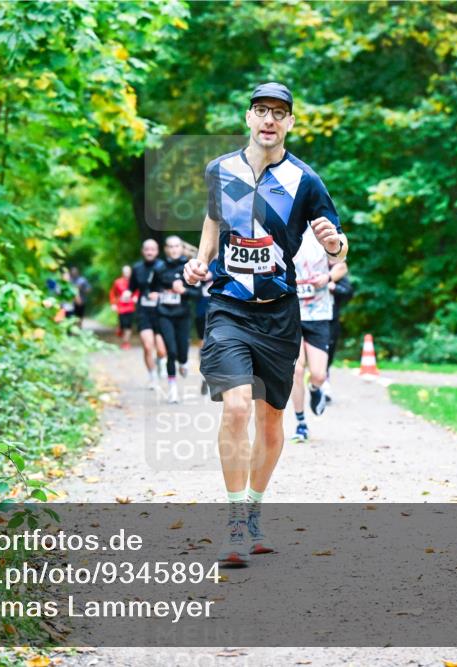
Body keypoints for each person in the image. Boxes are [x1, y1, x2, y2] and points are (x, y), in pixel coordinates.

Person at [183, 82, 348, 566]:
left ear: (291, 123)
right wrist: (200, 260)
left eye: (279, 113)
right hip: (228, 307)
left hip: (279, 311)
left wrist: (334, 243)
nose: (269, 120)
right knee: (235, 407)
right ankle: (235, 523)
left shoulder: (306, 180)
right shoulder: (220, 170)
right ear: (249, 118)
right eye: (261, 111)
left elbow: (340, 242)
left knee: (271, 419)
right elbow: (214, 219)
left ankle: (253, 512)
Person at [289, 226, 346, 441]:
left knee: (319, 374)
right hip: (292, 314)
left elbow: (342, 267)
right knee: (296, 370)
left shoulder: (321, 235)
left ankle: (315, 388)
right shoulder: (284, 230)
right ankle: (301, 422)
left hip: (319, 314)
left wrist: (327, 277)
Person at [150, 236, 198, 404]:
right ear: (165, 249)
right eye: (170, 246)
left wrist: (183, 291)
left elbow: (197, 295)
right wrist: (155, 294)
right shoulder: (159, 268)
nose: (173, 249)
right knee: (171, 351)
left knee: (182, 354)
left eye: (176, 246)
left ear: (181, 248)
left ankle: (184, 363)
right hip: (164, 314)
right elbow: (151, 290)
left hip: (183, 315)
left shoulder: (189, 268)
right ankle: (173, 389)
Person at [129, 240, 168, 389]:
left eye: (152, 249)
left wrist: (159, 294)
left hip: (161, 312)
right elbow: (131, 288)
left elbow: (170, 287)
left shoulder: (163, 267)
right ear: (142, 251)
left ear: (157, 251)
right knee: (147, 346)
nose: (149, 252)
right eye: (147, 249)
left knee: (162, 350)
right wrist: (127, 293)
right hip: (143, 311)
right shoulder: (137, 268)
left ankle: (160, 363)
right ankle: (152, 377)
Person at [323, 263, 352, 403]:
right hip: (307, 319)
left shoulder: (335, 271)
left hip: (330, 319)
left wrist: (334, 288)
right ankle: (320, 383)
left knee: (329, 351)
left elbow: (348, 292)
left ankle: (323, 381)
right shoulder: (308, 267)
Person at [109, 265, 137, 350]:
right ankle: (120, 329)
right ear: (122, 273)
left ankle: (126, 343)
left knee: (128, 325)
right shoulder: (117, 282)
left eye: (128, 272)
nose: (127, 274)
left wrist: (136, 297)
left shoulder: (134, 282)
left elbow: (138, 291)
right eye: (125, 272)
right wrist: (113, 304)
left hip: (130, 306)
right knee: (122, 324)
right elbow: (112, 293)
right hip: (121, 307)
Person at [194, 277, 214, 395]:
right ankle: (204, 375)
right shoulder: (200, 264)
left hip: (220, 311)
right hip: (201, 311)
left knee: (218, 344)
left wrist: (212, 277)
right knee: (203, 345)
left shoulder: (223, 263)